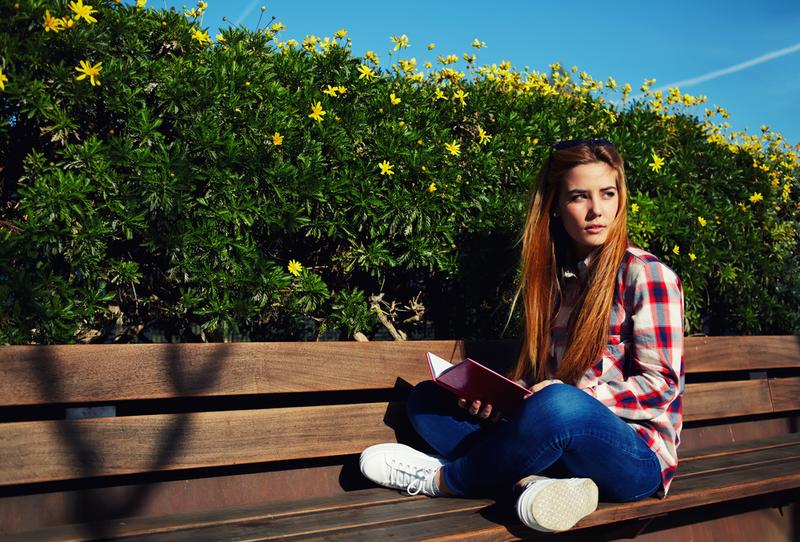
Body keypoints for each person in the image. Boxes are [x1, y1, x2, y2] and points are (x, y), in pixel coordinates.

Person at [359, 138, 685, 532]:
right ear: (554, 207)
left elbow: (662, 385)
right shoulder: (555, 284)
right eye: (579, 197)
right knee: (427, 402)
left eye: (607, 194)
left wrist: (570, 399)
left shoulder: (646, 275)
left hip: (634, 458)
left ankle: (444, 480)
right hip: (559, 442)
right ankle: (530, 485)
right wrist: (505, 396)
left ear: (620, 198)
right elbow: (544, 382)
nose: (597, 210)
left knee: (561, 405)